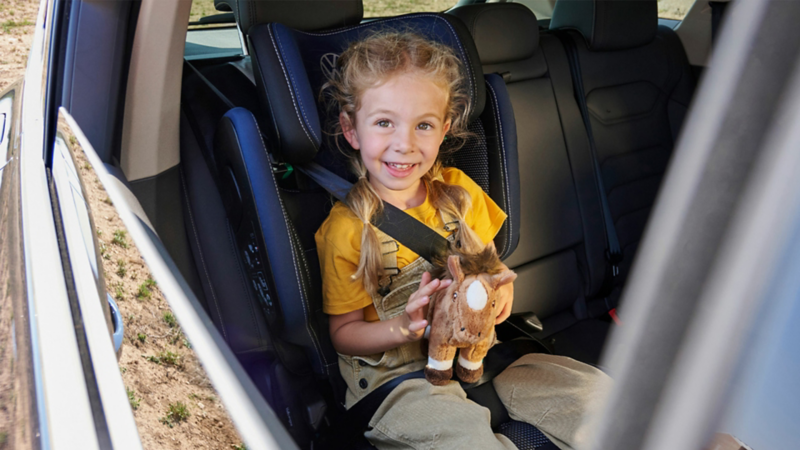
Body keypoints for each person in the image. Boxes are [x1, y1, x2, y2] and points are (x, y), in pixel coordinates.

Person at [315, 32, 610, 450]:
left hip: (480, 355)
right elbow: (344, 333)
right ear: (351, 129)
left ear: (445, 128)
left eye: (424, 125)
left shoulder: (459, 192)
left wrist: (502, 291)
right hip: (395, 378)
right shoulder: (346, 228)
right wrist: (405, 326)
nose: (405, 143)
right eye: (384, 123)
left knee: (599, 401)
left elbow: (491, 269)